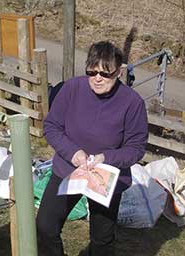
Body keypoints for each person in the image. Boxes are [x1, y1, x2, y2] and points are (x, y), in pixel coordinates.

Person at [36, 41, 148, 256]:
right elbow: (51, 126)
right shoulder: (71, 88)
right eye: (92, 72)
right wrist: (73, 152)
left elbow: (136, 148)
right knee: (45, 225)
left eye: (105, 74)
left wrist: (106, 158)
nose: (97, 78)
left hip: (106, 177)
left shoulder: (132, 103)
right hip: (68, 170)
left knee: (102, 239)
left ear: (119, 72)